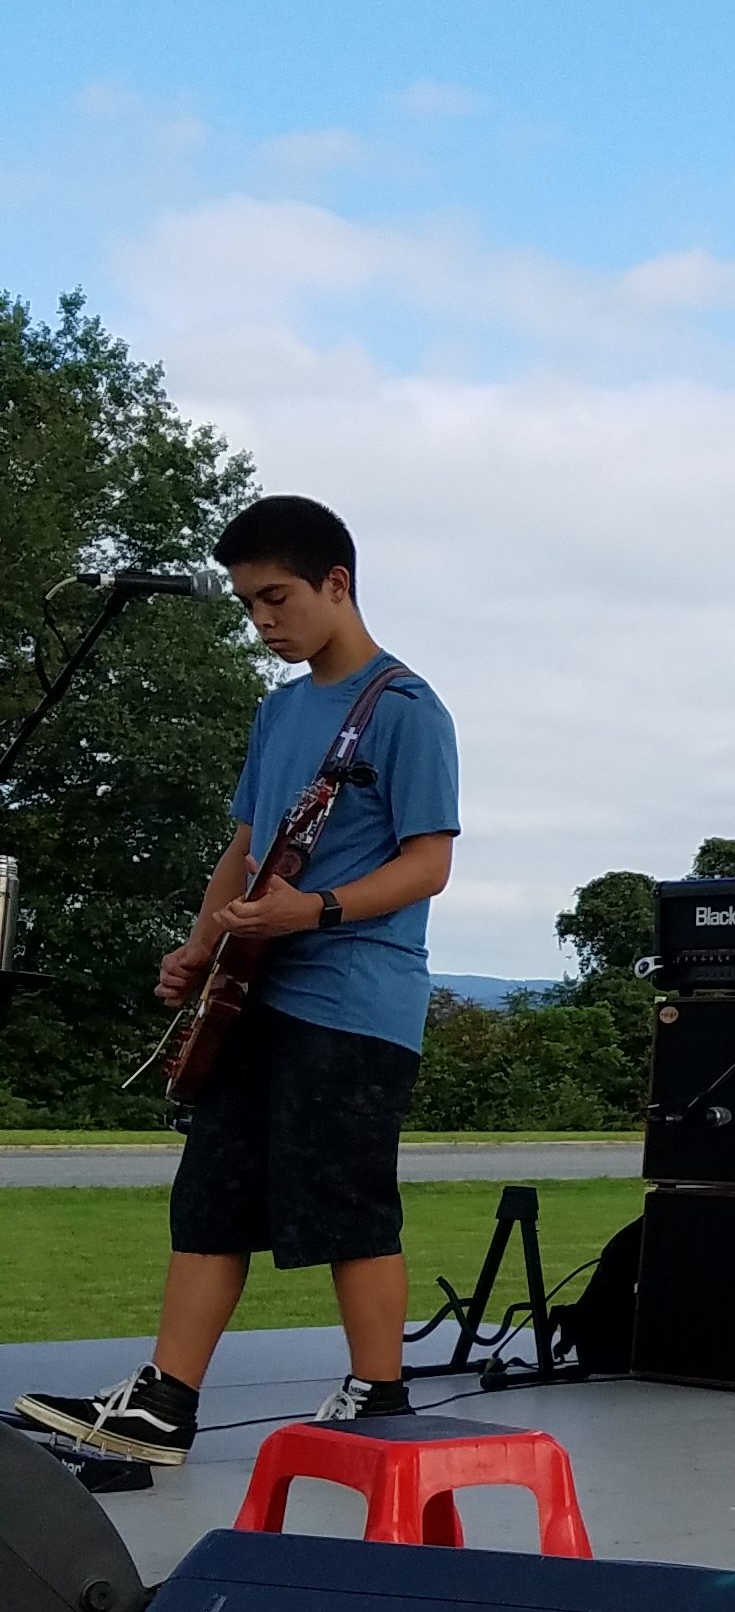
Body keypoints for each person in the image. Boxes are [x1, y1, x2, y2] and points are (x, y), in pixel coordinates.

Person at [19, 498, 460, 1468]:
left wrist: (317, 910)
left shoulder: (405, 709)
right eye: (249, 603)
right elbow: (247, 846)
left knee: (347, 1204)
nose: (262, 620)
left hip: (355, 1002)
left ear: (336, 583)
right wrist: (199, 949)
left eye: (276, 597)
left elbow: (428, 864)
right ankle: (163, 1404)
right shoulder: (279, 712)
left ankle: (379, 1399)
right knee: (209, 1195)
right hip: (252, 995)